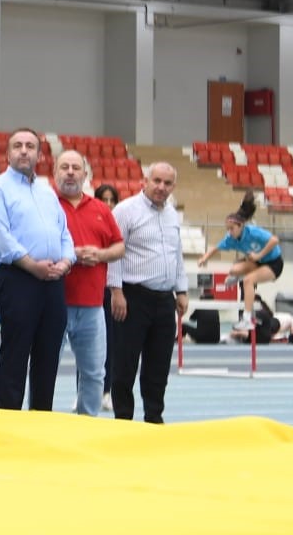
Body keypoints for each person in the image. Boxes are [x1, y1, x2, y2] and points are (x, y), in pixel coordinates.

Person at [0, 127, 74, 411]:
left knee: (49, 354)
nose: (24, 151)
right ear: (8, 153)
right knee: (15, 353)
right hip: (18, 278)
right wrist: (32, 266)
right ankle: (9, 420)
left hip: (53, 282)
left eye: (30, 146)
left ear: (39, 154)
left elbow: (65, 234)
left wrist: (67, 261)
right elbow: (2, 237)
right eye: (18, 146)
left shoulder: (47, 192)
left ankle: (41, 416)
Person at [108, 162, 188, 424]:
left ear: (173, 187)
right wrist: (116, 290)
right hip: (132, 297)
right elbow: (114, 253)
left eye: (167, 183)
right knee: (125, 362)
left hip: (165, 300)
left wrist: (182, 290)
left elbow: (177, 255)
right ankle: (123, 419)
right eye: (157, 181)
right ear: (145, 181)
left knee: (159, 365)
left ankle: (154, 418)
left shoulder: (172, 215)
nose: (161, 187)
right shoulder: (125, 211)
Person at [54, 150, 124, 417]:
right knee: (45, 368)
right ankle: (38, 422)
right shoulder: (47, 205)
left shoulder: (101, 209)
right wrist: (70, 254)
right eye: (64, 167)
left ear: (85, 174)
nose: (70, 172)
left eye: (75, 167)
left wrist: (101, 255)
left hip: (93, 307)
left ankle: (88, 422)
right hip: (54, 305)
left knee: (94, 372)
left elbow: (119, 246)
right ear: (55, 172)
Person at [196, 191, 282, 332]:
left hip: (274, 263)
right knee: (233, 270)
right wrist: (204, 258)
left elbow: (274, 240)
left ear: (241, 226)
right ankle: (238, 277)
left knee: (248, 281)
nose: (229, 232)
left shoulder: (253, 232)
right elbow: (216, 248)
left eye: (232, 229)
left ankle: (247, 319)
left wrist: (259, 254)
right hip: (257, 263)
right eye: (227, 229)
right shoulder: (230, 238)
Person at [93, 183, 121, 410]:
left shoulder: (119, 226)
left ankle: (107, 391)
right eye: (105, 199)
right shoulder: (92, 223)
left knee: (111, 344)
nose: (108, 204)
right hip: (92, 290)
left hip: (112, 291)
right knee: (88, 346)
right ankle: (85, 391)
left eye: (112, 200)